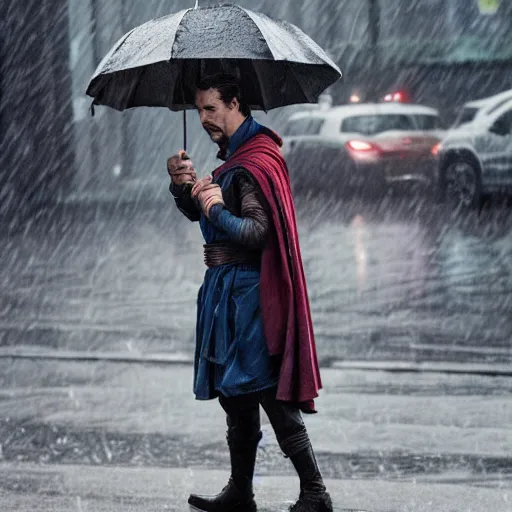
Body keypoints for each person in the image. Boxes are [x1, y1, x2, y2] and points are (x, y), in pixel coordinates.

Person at [167, 73, 332, 512]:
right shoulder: (237, 159)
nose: (203, 119)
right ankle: (241, 492)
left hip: (248, 297)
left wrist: (213, 207)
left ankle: (315, 492)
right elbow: (211, 220)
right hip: (227, 294)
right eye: (199, 110)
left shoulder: (251, 164)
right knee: (234, 395)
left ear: (235, 103)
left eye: (211, 109)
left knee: (265, 393)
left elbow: (256, 233)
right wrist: (184, 189)